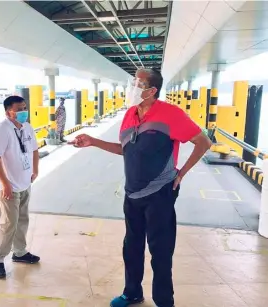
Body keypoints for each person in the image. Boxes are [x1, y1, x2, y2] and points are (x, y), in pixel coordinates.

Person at [70, 69, 211, 307]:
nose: (132, 86)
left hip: (160, 193)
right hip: (132, 193)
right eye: (132, 82)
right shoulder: (130, 114)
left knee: (161, 251)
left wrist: (181, 174)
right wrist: (93, 141)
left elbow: (203, 142)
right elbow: (125, 148)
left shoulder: (171, 114)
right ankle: (132, 292)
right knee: (131, 247)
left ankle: (164, 301)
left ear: (152, 90)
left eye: (138, 83)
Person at [0, 95, 40, 279]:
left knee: (22, 219)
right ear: (8, 112)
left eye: (24, 107)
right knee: (8, 224)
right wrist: (5, 184)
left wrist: (35, 170)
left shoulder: (27, 127)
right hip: (7, 187)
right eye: (19, 109)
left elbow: (34, 149)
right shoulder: (2, 130)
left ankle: (20, 252)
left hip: (25, 183)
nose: (23, 112)